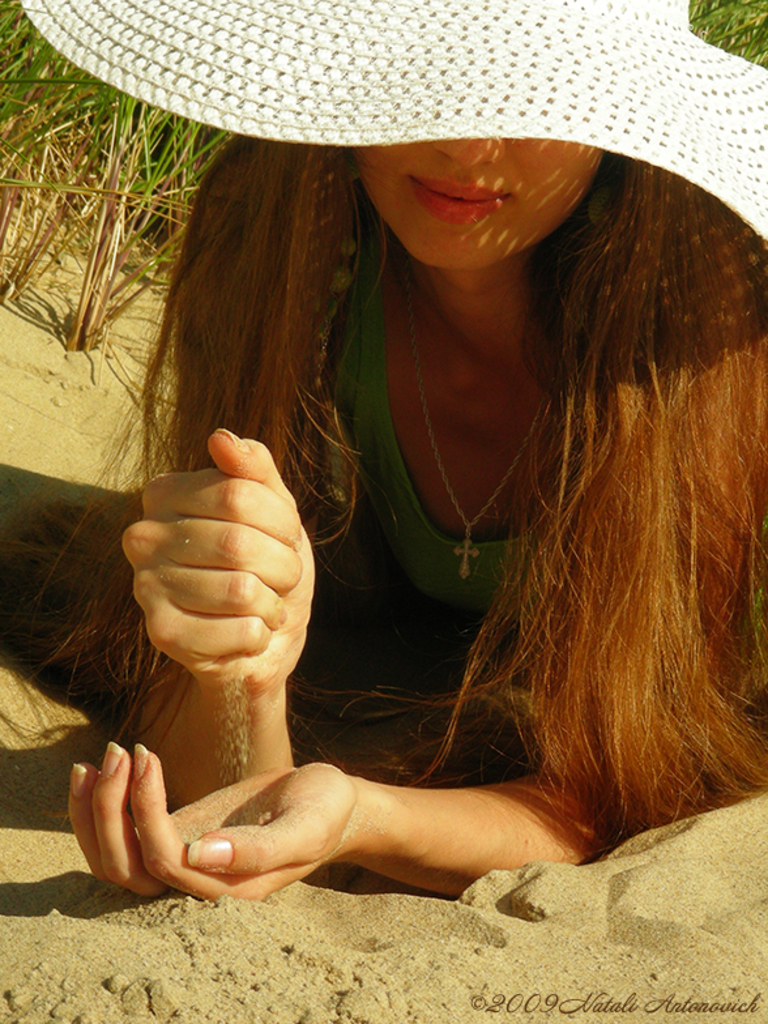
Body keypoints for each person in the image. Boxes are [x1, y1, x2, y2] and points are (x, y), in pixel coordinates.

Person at [10, 0, 768, 900]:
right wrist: (245, 678)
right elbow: (223, 762)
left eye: (537, 96)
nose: (468, 145)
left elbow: (619, 783)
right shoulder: (279, 229)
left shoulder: (715, 323)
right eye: (432, 76)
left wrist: (363, 813)